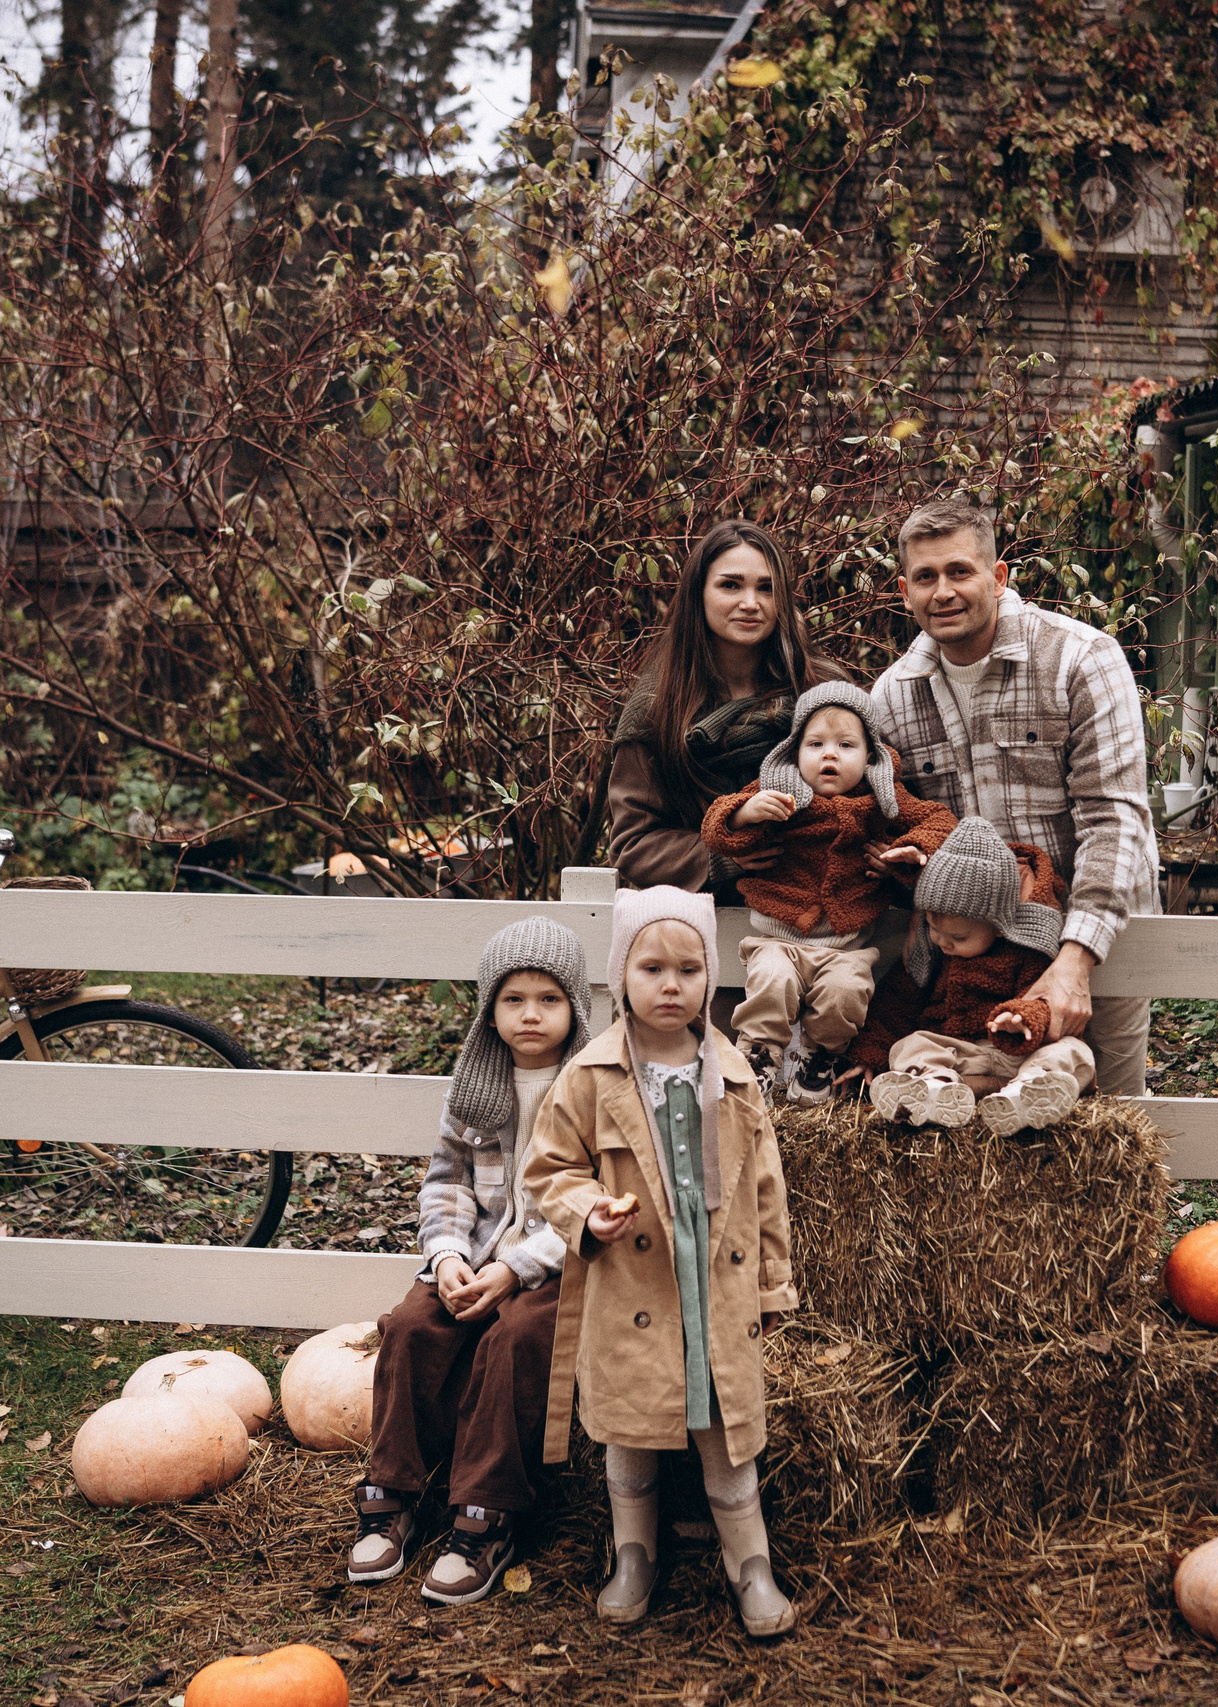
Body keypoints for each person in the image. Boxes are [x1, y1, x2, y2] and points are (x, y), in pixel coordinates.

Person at [523, 887, 800, 1639]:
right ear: (621, 977)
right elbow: (548, 1169)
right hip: (634, 1282)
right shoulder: (590, 1075)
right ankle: (634, 1552)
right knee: (631, 1425)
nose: (670, 984)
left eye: (688, 967)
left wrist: (772, 1284)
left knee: (727, 1427)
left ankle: (752, 1563)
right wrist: (589, 1211)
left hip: (712, 1282)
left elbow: (766, 1188)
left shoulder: (736, 1078)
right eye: (651, 967)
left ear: (711, 977)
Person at [867, 496, 1159, 1096]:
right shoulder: (891, 698)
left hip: (1094, 938)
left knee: (1109, 1127)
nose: (942, 591)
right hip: (967, 964)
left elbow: (1114, 819)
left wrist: (1075, 961)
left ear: (998, 578)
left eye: (959, 571)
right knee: (981, 1139)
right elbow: (902, 827)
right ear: (904, 591)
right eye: (925, 577)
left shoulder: (1081, 660)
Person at [348, 916, 590, 1602]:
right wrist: (447, 1254)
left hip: (554, 1265)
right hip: (475, 1253)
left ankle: (486, 1514)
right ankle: (392, 1490)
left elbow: (597, 1198)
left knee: (514, 1339)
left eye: (549, 998)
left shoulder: (594, 1086)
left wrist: (516, 1269)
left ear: (575, 1006)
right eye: (514, 999)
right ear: (491, 1009)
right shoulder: (475, 1083)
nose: (531, 1014)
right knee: (411, 1325)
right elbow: (447, 1181)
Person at [698, 682, 956, 1102]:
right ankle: (759, 1055)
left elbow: (940, 820)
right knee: (771, 981)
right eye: (815, 743)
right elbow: (714, 827)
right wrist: (743, 814)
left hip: (847, 945)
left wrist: (909, 851)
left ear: (870, 756)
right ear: (794, 751)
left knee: (846, 993)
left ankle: (821, 1059)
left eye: (845, 745)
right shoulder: (778, 788)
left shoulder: (882, 796)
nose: (829, 754)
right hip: (778, 938)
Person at [606, 519, 848, 903]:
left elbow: (872, 793)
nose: (750, 604)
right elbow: (633, 844)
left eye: (766, 588)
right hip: (702, 924)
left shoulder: (822, 690)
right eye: (730, 585)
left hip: (819, 918)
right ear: (698, 593)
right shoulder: (657, 708)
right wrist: (721, 855)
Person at [850, 816, 1096, 1135]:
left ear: (998, 926)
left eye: (959, 937)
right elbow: (896, 1003)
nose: (942, 941)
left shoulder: (1025, 953)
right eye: (932, 928)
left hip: (1017, 1056)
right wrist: (870, 1053)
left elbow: (1045, 1002)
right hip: (960, 1056)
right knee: (910, 1045)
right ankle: (935, 1089)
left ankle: (1032, 1090)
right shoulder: (931, 952)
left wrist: (1021, 1020)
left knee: (1075, 1053)